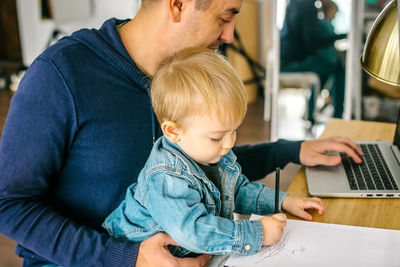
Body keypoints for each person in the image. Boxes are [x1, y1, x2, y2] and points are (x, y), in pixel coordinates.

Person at [0, 0, 363, 266]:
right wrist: (126, 257)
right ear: (177, 5)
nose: (230, 34)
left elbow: (207, 168)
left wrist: (290, 151)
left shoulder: (189, 76)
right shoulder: (59, 76)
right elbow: (10, 204)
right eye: (225, 17)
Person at [102, 47, 324, 266]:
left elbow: (237, 190)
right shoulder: (165, 178)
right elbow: (195, 232)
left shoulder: (211, 153)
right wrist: (257, 233)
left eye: (234, 130)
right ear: (173, 132)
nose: (230, 143)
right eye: (217, 137)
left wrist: (284, 200)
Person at [280, 0, 347, 119]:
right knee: (337, 70)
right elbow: (312, 42)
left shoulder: (296, 4)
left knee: (327, 72)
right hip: (297, 61)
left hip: (292, 57)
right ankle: (337, 114)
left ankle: (314, 112)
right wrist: (344, 36)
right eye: (334, 13)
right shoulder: (308, 7)